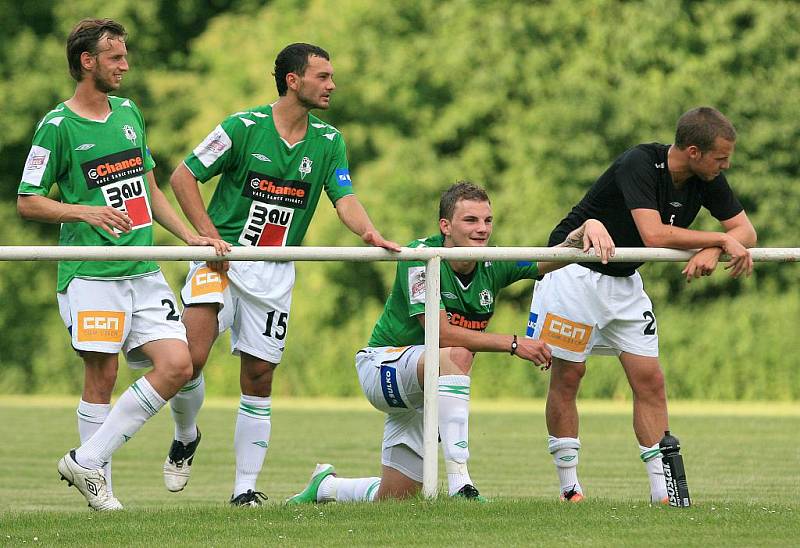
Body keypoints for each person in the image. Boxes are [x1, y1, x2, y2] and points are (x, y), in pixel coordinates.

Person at [162, 42, 399, 506]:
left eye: (332, 77)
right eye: (323, 76)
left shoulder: (329, 141)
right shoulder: (242, 126)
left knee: (259, 376)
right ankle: (186, 434)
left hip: (274, 274)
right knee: (191, 355)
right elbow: (182, 177)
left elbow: (344, 199)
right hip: (221, 262)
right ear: (294, 80)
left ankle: (244, 490)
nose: (332, 85)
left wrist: (369, 232)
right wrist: (209, 238)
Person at [285, 181, 614, 504]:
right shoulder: (421, 257)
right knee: (456, 351)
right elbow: (439, 333)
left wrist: (587, 228)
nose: (482, 228)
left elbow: (550, 258)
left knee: (395, 499)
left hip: (428, 386)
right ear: (445, 225)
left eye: (487, 220)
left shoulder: (492, 263)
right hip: (382, 365)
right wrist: (514, 343)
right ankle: (461, 484)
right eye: (470, 220)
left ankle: (325, 487)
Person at [16, 19, 229, 511]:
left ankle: (86, 460)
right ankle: (100, 490)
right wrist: (82, 209)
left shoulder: (130, 113)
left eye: (125, 55)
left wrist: (190, 236)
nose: (125, 65)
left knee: (179, 364)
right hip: (90, 274)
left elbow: (151, 189)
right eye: (115, 57)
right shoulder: (57, 126)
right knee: (101, 377)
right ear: (87, 62)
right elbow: (28, 201)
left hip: (143, 268)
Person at [527, 107, 757, 503]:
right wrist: (717, 241)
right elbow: (653, 235)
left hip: (625, 280)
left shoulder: (708, 178)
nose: (726, 165)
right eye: (720, 157)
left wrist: (710, 246)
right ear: (693, 151)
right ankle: (570, 489)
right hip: (574, 271)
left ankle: (661, 492)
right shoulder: (640, 162)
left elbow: (746, 231)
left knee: (650, 379)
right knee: (569, 376)